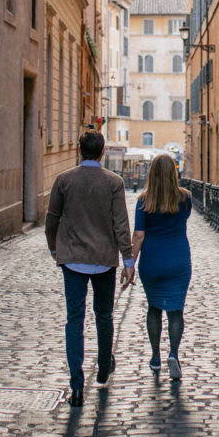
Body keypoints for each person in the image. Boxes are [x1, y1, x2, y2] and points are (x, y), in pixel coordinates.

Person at [46, 131, 135, 407]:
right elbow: (121, 224)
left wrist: (54, 248)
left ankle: (76, 386)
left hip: (72, 259)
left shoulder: (64, 180)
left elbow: (52, 218)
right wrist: (128, 261)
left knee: (75, 320)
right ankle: (104, 368)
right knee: (104, 315)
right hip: (103, 261)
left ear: (78, 149)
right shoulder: (114, 183)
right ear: (102, 152)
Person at [130, 153, 192, 380]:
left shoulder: (143, 201)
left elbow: (138, 235)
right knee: (176, 310)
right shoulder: (185, 198)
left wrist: (129, 264)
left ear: (151, 174)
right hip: (178, 260)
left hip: (152, 262)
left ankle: (155, 357)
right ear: (174, 173)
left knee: (154, 308)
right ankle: (174, 354)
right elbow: (181, 221)